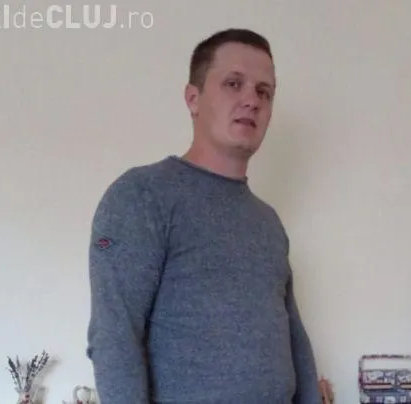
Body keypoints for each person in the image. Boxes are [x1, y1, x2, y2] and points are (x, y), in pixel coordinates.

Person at [86, 28, 321, 404]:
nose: (252, 100)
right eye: (233, 83)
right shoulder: (142, 196)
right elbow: (115, 338)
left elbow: (294, 339)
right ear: (193, 98)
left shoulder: (268, 222)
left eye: (264, 92)